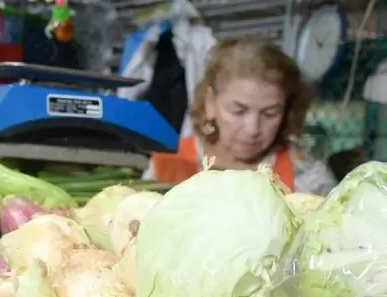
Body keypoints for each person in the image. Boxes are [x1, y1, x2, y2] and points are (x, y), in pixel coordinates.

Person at [145, 37, 338, 195]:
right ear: (211, 102)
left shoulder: (306, 176)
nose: (253, 129)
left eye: (271, 113)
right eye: (238, 111)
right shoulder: (168, 163)